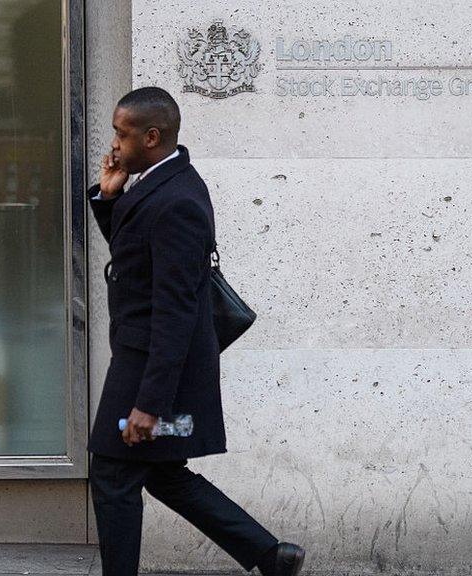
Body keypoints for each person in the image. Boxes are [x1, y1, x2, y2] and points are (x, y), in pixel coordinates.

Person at [86, 86, 305, 576]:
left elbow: (177, 311)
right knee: (162, 471)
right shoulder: (156, 184)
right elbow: (135, 256)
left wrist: (150, 404)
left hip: (149, 373)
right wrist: (109, 196)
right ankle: (273, 557)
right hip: (145, 364)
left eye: (122, 135)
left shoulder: (178, 199)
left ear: (152, 136)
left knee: (114, 471)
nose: (114, 144)